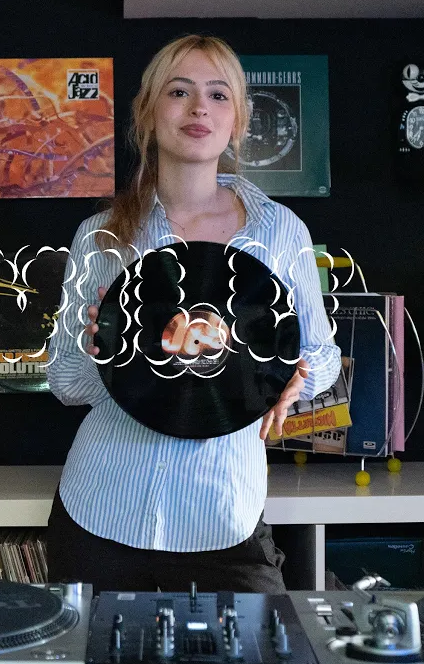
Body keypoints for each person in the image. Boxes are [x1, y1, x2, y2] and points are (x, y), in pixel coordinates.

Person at [45, 34, 341, 593]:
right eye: (179, 91)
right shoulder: (101, 235)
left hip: (222, 517)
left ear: (238, 120)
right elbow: (63, 382)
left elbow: (323, 358)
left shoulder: (281, 233)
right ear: (148, 112)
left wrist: (294, 377)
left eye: (218, 94)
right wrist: (98, 350)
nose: (199, 108)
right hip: (102, 510)